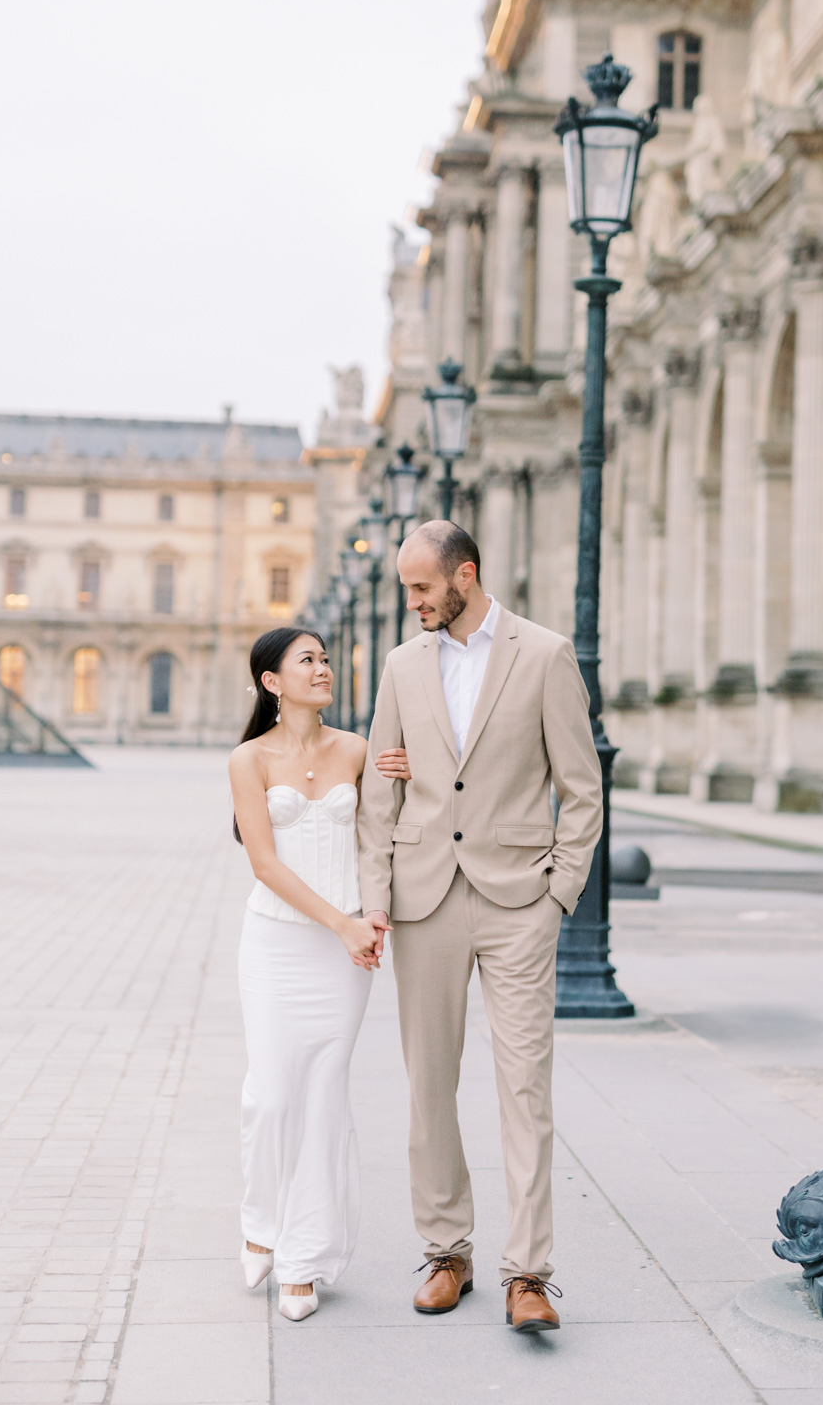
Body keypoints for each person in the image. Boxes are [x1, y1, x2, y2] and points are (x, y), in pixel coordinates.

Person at [358, 521, 602, 1334]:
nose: (413, 602)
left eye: (422, 587)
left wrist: (557, 896)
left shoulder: (543, 654)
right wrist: (376, 895)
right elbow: (379, 794)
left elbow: (581, 785)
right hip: (423, 898)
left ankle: (526, 1272)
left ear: (465, 575)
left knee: (524, 1089)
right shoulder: (400, 665)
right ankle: (446, 1252)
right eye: (405, 589)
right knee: (429, 1087)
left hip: (516, 903)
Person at [229, 625, 403, 1322]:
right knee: (271, 1096)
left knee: (324, 1097)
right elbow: (264, 863)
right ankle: (258, 1220)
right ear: (273, 681)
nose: (323, 668)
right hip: (274, 942)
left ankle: (302, 1258)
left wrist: (402, 775)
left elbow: (381, 834)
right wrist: (341, 922)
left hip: (344, 955)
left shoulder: (359, 750)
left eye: (326, 658)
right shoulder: (248, 759)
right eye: (308, 660)